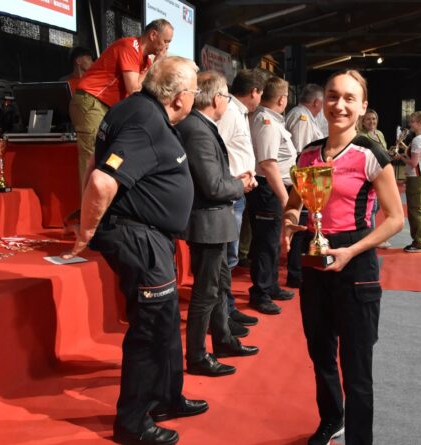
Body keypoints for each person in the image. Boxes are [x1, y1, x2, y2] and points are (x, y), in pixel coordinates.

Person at [61, 56, 206, 445]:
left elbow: (95, 161)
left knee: (165, 320)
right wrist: (85, 230)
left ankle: (167, 398)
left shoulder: (135, 107)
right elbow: (103, 180)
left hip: (149, 235)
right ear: (179, 97)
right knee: (150, 327)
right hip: (138, 237)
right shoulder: (145, 120)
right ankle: (133, 422)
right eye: (195, 92)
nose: (195, 98)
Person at [283, 69, 403, 445]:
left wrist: (351, 250)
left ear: (363, 106)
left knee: (356, 364)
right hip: (316, 260)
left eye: (350, 98)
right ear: (324, 101)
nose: (340, 105)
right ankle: (331, 419)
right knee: (320, 352)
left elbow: (395, 219)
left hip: (356, 262)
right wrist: (290, 221)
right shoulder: (308, 154)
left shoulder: (371, 154)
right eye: (333, 96)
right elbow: (294, 204)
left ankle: (360, 438)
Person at [176, 71, 259, 378]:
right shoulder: (197, 129)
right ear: (215, 98)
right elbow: (211, 186)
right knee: (206, 291)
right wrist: (240, 185)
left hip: (214, 220)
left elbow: (213, 179)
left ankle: (222, 339)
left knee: (219, 285)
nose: (227, 102)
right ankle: (197, 355)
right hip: (208, 221)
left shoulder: (201, 126)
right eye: (225, 96)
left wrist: (234, 181)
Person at [69, 19, 173, 191]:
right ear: (153, 35)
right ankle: (88, 206)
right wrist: (155, 64)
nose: (167, 47)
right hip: (92, 100)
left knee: (108, 155)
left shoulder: (146, 62)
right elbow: (134, 89)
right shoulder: (129, 46)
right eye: (166, 41)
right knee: (92, 157)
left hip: (108, 108)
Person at [215, 68, 268, 330]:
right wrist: (233, 180)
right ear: (254, 92)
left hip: (237, 191)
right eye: (261, 94)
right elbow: (216, 149)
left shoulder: (238, 111)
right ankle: (222, 314)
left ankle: (228, 308)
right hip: (230, 193)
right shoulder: (230, 111)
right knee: (226, 258)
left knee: (230, 257)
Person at [247, 76, 297, 315]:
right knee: (265, 242)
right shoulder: (266, 121)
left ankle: (270, 285)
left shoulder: (271, 119)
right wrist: (285, 199)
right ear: (282, 99)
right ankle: (261, 292)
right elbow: (267, 164)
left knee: (272, 240)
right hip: (269, 188)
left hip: (274, 187)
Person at [284, 83, 325, 288]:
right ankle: (295, 273)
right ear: (317, 102)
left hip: (307, 177)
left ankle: (298, 270)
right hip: (304, 178)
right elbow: (302, 152)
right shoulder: (301, 116)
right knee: (300, 227)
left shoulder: (305, 115)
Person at [394, 109, 421, 253]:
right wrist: (403, 146)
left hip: (417, 178)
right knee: (420, 210)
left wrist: (400, 157)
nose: (410, 125)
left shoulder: (417, 140)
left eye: (412, 122)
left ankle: (419, 243)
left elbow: (413, 162)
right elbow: (414, 154)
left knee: (414, 211)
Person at [357, 109, 389, 248]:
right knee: (371, 208)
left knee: (377, 208)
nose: (372, 122)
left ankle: (368, 235)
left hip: (382, 175)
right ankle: (374, 239)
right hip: (369, 176)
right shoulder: (360, 136)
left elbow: (383, 151)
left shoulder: (379, 134)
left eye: (374, 119)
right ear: (363, 122)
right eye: (368, 119)